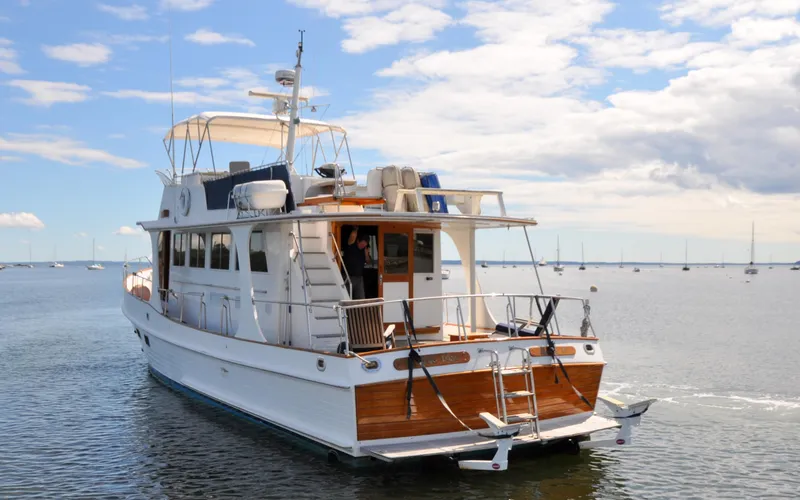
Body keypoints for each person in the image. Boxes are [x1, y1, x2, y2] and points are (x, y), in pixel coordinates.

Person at [342, 227, 370, 299]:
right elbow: (352, 238)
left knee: (361, 299)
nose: (363, 246)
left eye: (365, 245)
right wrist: (355, 229)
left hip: (359, 278)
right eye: (362, 244)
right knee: (347, 298)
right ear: (358, 241)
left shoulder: (364, 250)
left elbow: (368, 262)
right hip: (348, 277)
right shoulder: (351, 246)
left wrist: (366, 255)